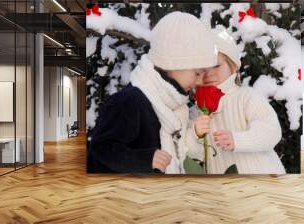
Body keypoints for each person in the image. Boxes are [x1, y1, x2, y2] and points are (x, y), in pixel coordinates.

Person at [87, 11, 218, 174]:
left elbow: (180, 151)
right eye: (197, 73)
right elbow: (101, 149)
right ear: (172, 64)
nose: (199, 82)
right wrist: (144, 160)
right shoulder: (129, 102)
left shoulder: (174, 105)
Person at [190, 26, 286, 174]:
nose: (208, 73)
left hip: (261, 178)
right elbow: (191, 153)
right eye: (201, 68)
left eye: (216, 65)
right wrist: (195, 134)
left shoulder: (246, 97)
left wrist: (238, 140)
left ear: (233, 66)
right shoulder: (195, 112)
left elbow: (271, 130)